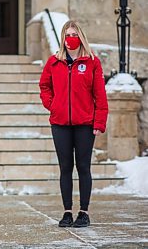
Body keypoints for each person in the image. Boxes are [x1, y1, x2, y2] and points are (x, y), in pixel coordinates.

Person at [39, 20, 108, 228]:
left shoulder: (92, 62)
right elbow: (44, 86)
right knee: (65, 167)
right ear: (63, 38)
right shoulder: (54, 62)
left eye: (74, 34)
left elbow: (100, 95)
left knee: (84, 167)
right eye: (67, 35)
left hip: (85, 124)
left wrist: (99, 121)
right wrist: (53, 105)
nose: (71, 38)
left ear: (81, 37)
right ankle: (67, 212)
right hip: (60, 123)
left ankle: (84, 213)